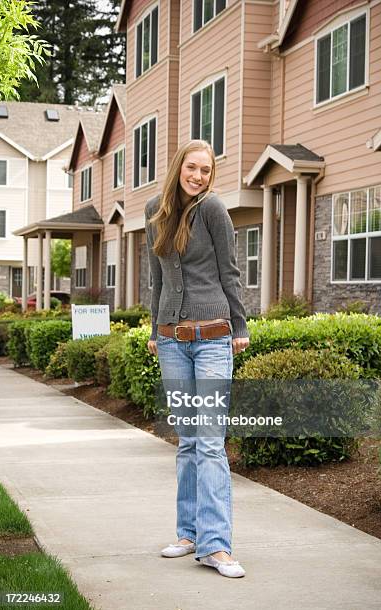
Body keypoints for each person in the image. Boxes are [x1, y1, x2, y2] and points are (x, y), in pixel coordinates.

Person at [145, 139, 250, 578]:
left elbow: (230, 271)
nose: (198, 176)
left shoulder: (214, 210)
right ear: (178, 168)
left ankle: (216, 546)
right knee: (187, 441)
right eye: (192, 168)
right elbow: (156, 279)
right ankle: (189, 534)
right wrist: (154, 330)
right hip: (171, 340)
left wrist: (240, 327)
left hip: (211, 340)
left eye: (206, 170)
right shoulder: (156, 210)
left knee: (208, 441)